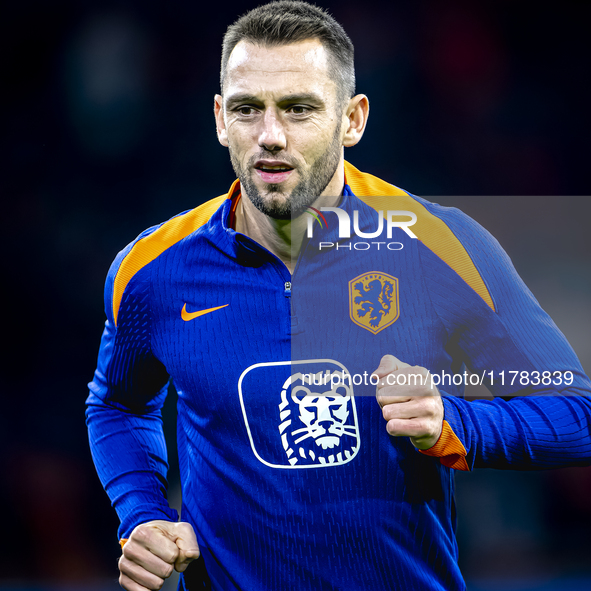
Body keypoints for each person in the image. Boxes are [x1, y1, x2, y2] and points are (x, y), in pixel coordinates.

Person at [86, 2, 591, 590]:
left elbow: (576, 412)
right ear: (221, 119)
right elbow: (118, 405)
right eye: (249, 110)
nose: (270, 136)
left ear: (352, 120)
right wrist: (143, 514)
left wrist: (454, 424)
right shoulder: (151, 271)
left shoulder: (442, 247)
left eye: (299, 110)